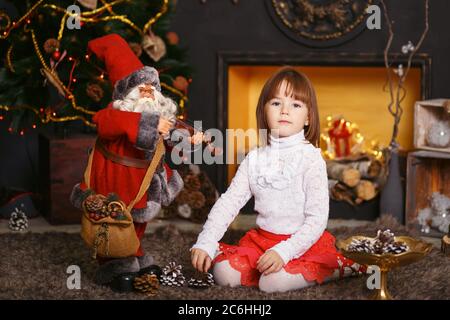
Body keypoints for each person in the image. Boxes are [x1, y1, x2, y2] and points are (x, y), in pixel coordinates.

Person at [191, 67, 365, 292]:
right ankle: (266, 268)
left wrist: (284, 252)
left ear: (308, 117)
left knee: (272, 283)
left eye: (295, 105)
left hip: (302, 243)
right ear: (263, 111)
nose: (284, 111)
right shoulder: (255, 158)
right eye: (276, 103)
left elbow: (317, 220)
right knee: (224, 272)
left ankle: (337, 267)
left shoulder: (311, 158)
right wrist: (206, 241)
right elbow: (228, 203)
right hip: (262, 242)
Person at [70, 34, 202, 289]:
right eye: (142, 89)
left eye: (152, 88)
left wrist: (191, 137)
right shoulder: (116, 115)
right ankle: (112, 262)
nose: (148, 93)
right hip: (116, 182)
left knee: (138, 220)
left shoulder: (156, 115)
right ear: (126, 94)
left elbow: (170, 130)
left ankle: (135, 251)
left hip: (143, 180)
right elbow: (106, 122)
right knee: (115, 219)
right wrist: (149, 124)